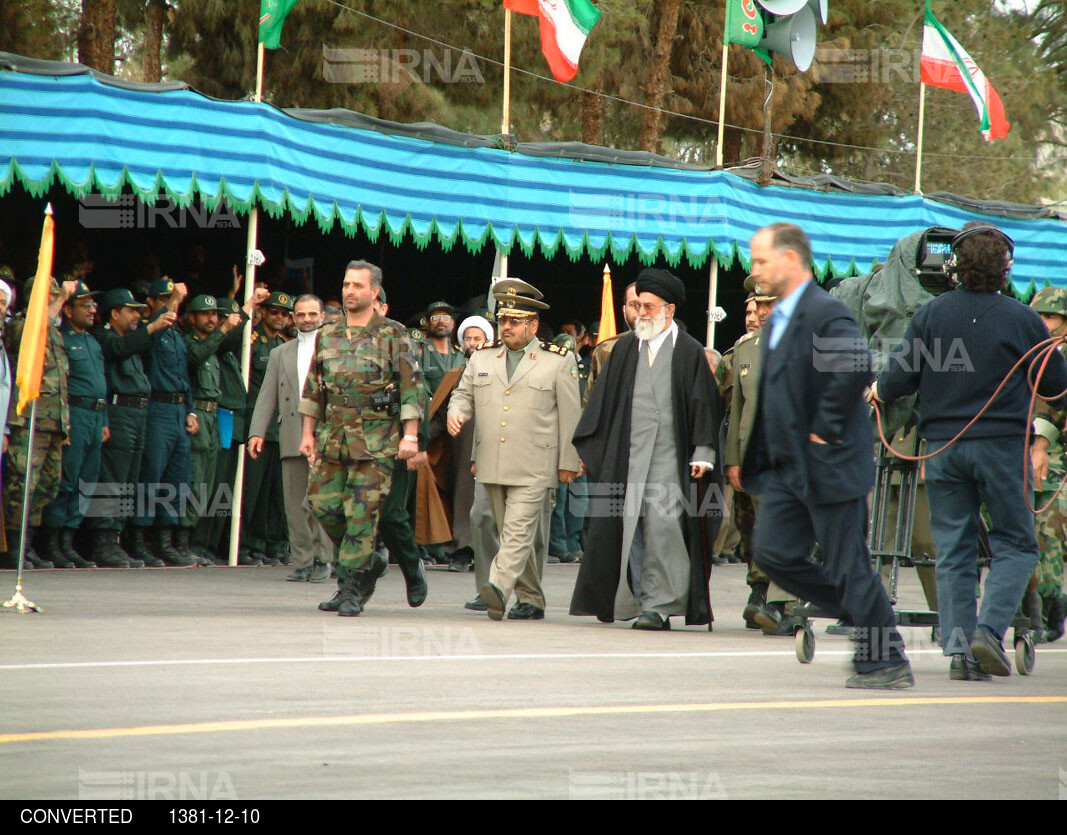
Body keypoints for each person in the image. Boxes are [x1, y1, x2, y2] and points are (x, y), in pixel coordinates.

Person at [872, 225, 1067, 679]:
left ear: (954, 266)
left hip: (942, 449)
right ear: (1007, 267)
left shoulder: (931, 315)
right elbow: (1057, 385)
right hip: (1000, 449)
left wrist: (877, 389)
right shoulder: (1024, 319)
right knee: (1016, 545)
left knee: (954, 549)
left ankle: (962, 654)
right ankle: (988, 633)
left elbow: (898, 380)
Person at [743, 222, 911, 689]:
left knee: (847, 564)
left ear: (791, 260)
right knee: (773, 553)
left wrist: (824, 428)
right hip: (787, 468)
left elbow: (856, 363)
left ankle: (885, 660)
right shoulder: (779, 318)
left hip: (828, 463)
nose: (755, 270)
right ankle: (861, 610)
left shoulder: (825, 312)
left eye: (762, 261)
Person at [569, 268, 722, 631]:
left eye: (649, 307)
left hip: (672, 456)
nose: (641, 313)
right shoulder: (624, 347)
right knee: (628, 526)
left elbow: (706, 406)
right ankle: (636, 599)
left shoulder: (688, 350)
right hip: (628, 455)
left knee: (664, 525)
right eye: (637, 306)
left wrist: (704, 452)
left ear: (669, 310)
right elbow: (602, 404)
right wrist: (592, 449)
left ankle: (661, 604)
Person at [447, 279, 581, 621]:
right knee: (511, 530)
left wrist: (569, 462)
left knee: (518, 530)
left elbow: (571, 416)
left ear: (533, 325)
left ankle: (497, 585)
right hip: (491, 459)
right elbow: (463, 394)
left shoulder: (557, 361)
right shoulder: (483, 357)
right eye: (502, 320)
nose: (505, 327)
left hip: (536, 463)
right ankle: (531, 597)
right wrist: (456, 412)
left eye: (514, 321)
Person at [298, 260, 423, 617]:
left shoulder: (393, 333)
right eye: (346, 284)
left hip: (376, 439)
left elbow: (411, 388)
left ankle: (351, 588)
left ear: (374, 292)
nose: (349, 291)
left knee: (361, 515)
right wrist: (307, 432)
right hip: (333, 436)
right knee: (324, 505)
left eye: (357, 285)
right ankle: (367, 562)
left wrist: (410, 436)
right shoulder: (328, 333)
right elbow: (313, 386)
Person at [723, 276, 800, 634]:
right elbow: (738, 409)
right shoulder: (746, 348)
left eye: (771, 304)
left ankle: (781, 603)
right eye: (760, 305)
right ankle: (762, 590)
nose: (763, 312)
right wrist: (734, 460)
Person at [248, 294, 333, 583]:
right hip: (290, 432)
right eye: (301, 315)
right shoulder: (280, 353)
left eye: (312, 314)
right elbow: (266, 395)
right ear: (293, 318)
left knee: (322, 501)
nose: (307, 319)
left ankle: (324, 558)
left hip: (326, 433)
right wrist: (257, 431)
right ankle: (303, 560)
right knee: (295, 502)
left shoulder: (336, 348)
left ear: (323, 316)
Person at [89, 288, 174, 567]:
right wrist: (152, 326)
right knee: (112, 478)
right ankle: (102, 541)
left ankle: (117, 537)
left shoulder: (133, 339)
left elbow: (144, 341)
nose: (138, 316)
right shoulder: (106, 336)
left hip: (138, 414)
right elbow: (120, 349)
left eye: (140, 311)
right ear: (114, 313)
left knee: (129, 480)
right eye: (131, 310)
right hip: (119, 411)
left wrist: (159, 321)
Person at [3, 276, 74, 570]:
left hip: (52, 421)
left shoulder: (55, 332)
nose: (56, 299)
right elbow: (30, 335)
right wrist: (57, 303)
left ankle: (28, 545)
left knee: (47, 485)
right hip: (28, 419)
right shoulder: (20, 325)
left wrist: (64, 425)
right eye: (50, 294)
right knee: (21, 486)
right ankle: (14, 549)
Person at [39, 280, 108, 568]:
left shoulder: (92, 340)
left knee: (87, 482)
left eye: (94, 304)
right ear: (67, 310)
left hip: (95, 416)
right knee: (66, 480)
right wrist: (64, 423)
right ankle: (52, 543)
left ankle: (69, 540)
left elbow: (102, 384)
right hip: (75, 414)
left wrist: (104, 420)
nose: (93, 309)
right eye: (85, 304)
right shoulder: (61, 336)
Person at [130, 278, 199, 566]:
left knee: (176, 478)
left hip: (178, 410)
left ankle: (164, 541)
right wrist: (173, 302)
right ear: (153, 303)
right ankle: (140, 539)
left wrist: (192, 411)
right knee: (151, 477)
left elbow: (184, 376)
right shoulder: (150, 331)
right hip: (157, 408)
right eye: (164, 299)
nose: (171, 305)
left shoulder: (176, 335)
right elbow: (156, 327)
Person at [180, 295, 243, 565]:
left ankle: (199, 542)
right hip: (196, 415)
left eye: (215, 315)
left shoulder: (213, 345)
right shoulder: (190, 343)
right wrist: (224, 330)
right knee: (195, 479)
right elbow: (196, 357)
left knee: (209, 481)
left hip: (214, 415)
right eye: (204, 314)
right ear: (191, 317)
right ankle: (184, 541)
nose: (211, 319)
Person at [240, 290, 293, 565]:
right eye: (275, 311)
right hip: (258, 426)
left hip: (281, 428)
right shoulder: (253, 339)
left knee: (276, 491)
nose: (280, 317)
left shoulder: (284, 344)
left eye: (285, 313)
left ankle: (270, 543)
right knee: (253, 490)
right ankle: (246, 544)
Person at [1028, 287, 1067, 642]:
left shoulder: (1059, 357)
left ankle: (1051, 608)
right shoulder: (1029, 352)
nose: (1043, 324)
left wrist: (1041, 444)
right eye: (1038, 316)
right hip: (1021, 454)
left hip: (1057, 460)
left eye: (1051, 317)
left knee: (1049, 531)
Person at [585, 282, 639, 404]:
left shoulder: (677, 349)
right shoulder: (605, 350)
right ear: (624, 310)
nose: (640, 311)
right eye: (634, 304)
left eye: (647, 305)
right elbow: (590, 406)